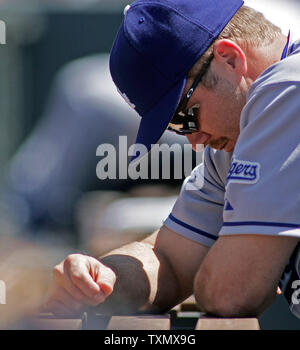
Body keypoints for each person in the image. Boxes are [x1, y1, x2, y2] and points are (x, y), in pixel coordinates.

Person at [44, 0, 300, 319]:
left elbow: (229, 293)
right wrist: (104, 278)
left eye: (186, 116)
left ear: (231, 59)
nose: (193, 140)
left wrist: (233, 266)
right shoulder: (236, 136)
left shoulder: (290, 86)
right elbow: (170, 260)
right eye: (176, 128)